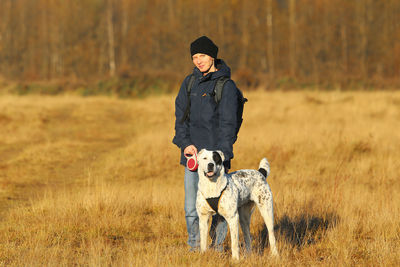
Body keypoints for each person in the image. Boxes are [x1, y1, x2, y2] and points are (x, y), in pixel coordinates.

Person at [172, 36, 240, 251]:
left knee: (221, 208)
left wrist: (222, 155)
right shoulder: (188, 83)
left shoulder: (225, 86)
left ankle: (217, 248)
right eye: (194, 57)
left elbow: (228, 124)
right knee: (192, 207)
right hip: (193, 158)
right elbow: (180, 120)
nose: (198, 60)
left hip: (217, 159)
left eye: (202, 55)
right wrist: (185, 145)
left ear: (212, 56)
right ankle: (195, 247)